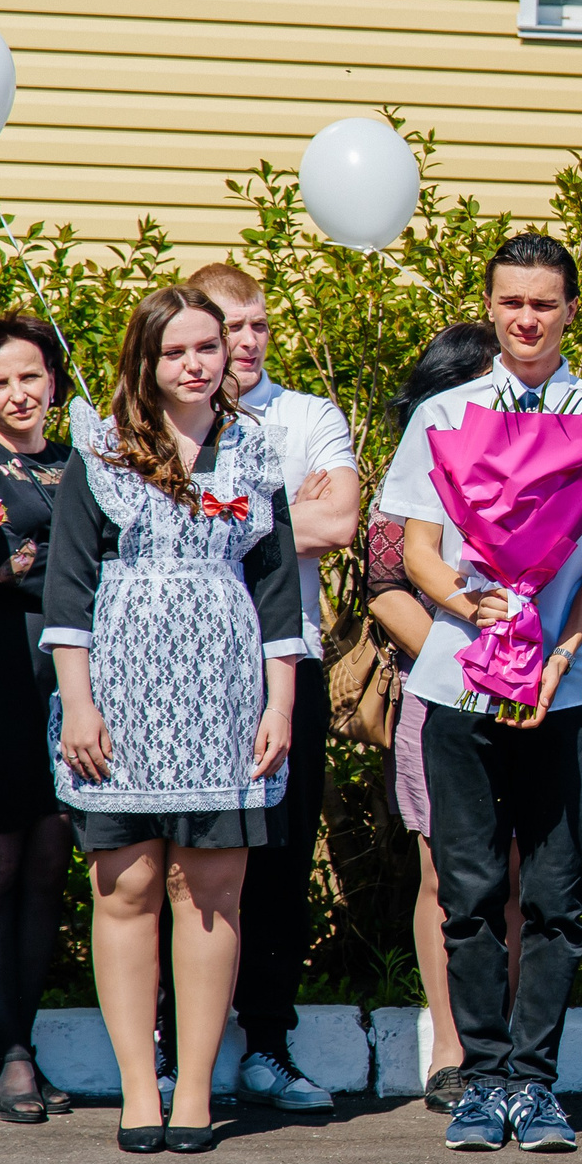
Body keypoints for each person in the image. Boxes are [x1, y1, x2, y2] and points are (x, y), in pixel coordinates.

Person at [379, 234, 582, 1155]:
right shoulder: (444, 414)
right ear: (492, 307)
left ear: (572, 308)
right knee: (465, 889)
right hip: (460, 680)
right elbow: (417, 544)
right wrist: (472, 605)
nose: (528, 318)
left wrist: (563, 646)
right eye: (512, 303)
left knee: (555, 894)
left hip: (570, 688)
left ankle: (536, 1083)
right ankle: (480, 1077)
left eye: (545, 302)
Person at [44, 285, 304, 1154]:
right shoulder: (103, 449)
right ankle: (138, 1091)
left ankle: (194, 1089)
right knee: (126, 886)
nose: (198, 364)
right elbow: (68, 587)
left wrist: (281, 703)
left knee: (211, 890)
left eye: (210, 346)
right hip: (119, 695)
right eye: (177, 351)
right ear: (145, 363)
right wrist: (77, 702)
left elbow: (277, 593)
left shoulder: (255, 452)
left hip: (226, 696)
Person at [185, 263, 360, 1117]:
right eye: (229, 326)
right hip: (182, 664)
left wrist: (216, 505)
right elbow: (302, 520)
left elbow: (339, 523)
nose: (246, 341)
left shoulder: (306, 415)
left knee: (280, 858)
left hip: (290, 659)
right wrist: (278, 507)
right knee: (180, 857)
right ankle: (172, 1040)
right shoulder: (162, 420)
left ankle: (267, 1043)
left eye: (257, 325)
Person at [364, 321, 503, 1114]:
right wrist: (463, 660)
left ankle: (510, 1041)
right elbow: (385, 584)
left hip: (538, 688)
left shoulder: (540, 456)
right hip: (440, 689)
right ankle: (452, 1044)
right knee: (445, 874)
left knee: (521, 870)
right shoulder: (412, 469)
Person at [0, 316, 76, 1122]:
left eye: (30, 375)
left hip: (73, 683)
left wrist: (39, 564)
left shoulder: (87, 462)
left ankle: (23, 1038)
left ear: (54, 381)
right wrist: (51, 567)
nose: (18, 393)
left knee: (47, 865)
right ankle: (12, 1053)